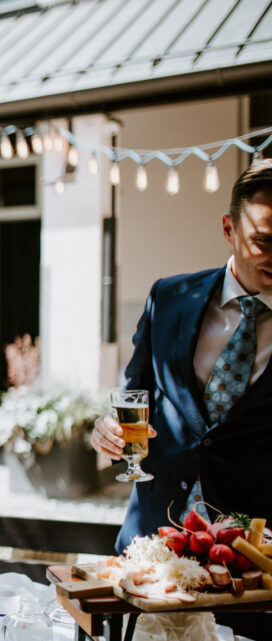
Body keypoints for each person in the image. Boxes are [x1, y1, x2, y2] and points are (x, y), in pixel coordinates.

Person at [91, 159, 272, 552]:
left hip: (250, 561)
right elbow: (133, 397)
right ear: (228, 228)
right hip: (153, 542)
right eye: (265, 242)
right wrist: (108, 431)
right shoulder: (168, 298)